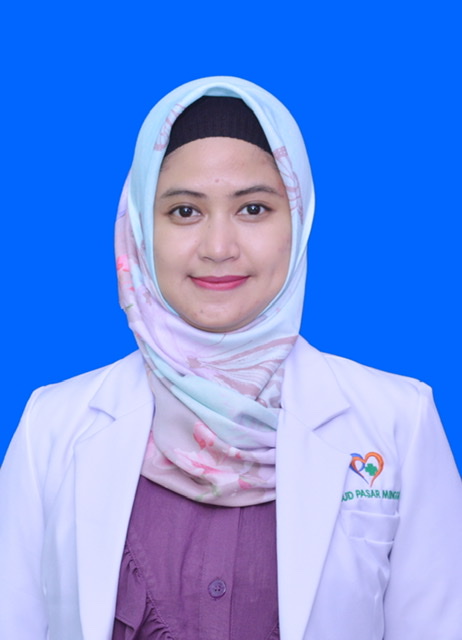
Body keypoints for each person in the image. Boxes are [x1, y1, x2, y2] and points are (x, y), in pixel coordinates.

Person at [1, 76, 461, 640]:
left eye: (253, 208)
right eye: (184, 211)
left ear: (298, 221)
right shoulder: (53, 425)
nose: (219, 248)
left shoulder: (399, 421)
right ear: (140, 230)